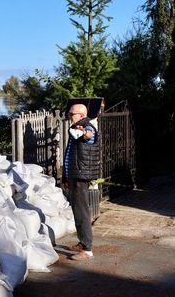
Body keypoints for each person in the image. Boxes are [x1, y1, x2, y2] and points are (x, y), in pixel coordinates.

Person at [62, 103, 100, 260]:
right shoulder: (76, 128)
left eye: (72, 114)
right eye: (69, 114)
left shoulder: (86, 126)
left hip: (80, 176)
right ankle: (82, 241)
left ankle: (87, 249)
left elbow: (89, 137)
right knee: (78, 210)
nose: (69, 117)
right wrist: (65, 176)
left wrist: (86, 135)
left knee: (81, 211)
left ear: (82, 115)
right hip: (74, 174)